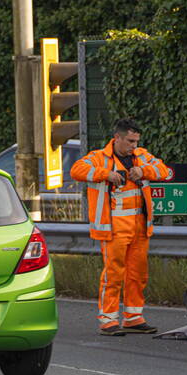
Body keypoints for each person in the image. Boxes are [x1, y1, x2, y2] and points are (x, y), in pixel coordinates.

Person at [71, 119, 170, 336]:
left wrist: (143, 171)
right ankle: (108, 320)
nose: (134, 145)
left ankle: (133, 318)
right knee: (114, 274)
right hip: (113, 226)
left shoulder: (142, 156)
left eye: (136, 141)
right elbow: (77, 170)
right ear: (117, 138)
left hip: (139, 226)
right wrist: (106, 174)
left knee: (138, 273)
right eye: (130, 141)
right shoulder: (99, 158)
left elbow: (164, 170)